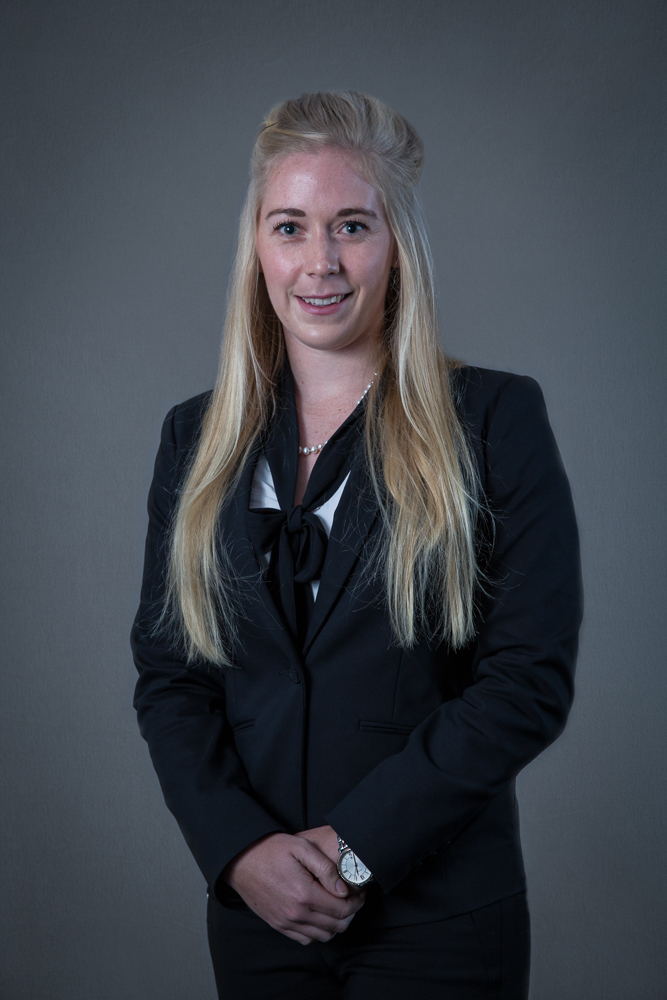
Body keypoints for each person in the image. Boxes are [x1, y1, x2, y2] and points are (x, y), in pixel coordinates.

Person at [131, 91, 582, 999]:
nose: (320, 262)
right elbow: (172, 677)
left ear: (397, 245)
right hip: (258, 919)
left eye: (351, 226)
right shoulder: (194, 436)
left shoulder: (494, 419)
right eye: (290, 227)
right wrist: (239, 850)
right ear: (258, 248)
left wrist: (354, 850)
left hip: (440, 918)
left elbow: (525, 680)